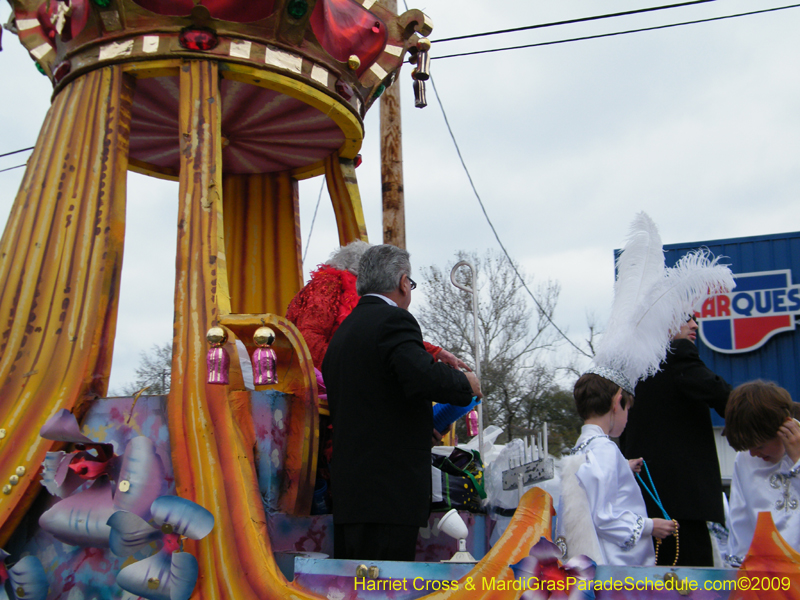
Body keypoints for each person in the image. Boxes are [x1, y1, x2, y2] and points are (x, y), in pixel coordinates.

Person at [322, 244, 482, 561]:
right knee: (386, 588)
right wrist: (467, 384)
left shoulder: (343, 334)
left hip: (350, 494)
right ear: (403, 282)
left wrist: (419, 426)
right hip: (388, 495)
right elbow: (421, 376)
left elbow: (375, 404)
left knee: (353, 589)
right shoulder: (394, 321)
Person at [622, 314, 732, 566]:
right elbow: (722, 394)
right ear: (662, 322)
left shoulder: (633, 363)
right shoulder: (676, 353)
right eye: (686, 318)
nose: (695, 324)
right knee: (691, 584)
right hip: (684, 504)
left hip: (646, 500)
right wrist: (767, 413)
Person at [286, 240, 465, 370]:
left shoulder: (347, 290)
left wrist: (435, 351)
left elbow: (380, 336)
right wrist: (350, 372)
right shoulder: (328, 285)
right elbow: (308, 337)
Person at [557, 372, 676, 566]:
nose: (627, 418)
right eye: (627, 409)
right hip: (613, 565)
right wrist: (651, 526)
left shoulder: (583, 446)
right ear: (617, 402)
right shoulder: (605, 449)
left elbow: (591, 486)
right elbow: (603, 517)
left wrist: (623, 467)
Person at [722, 380, 800, 567]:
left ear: (785, 426)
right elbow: (739, 518)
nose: (753, 453)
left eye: (759, 446)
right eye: (747, 447)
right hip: (766, 576)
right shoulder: (744, 460)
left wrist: (797, 461)